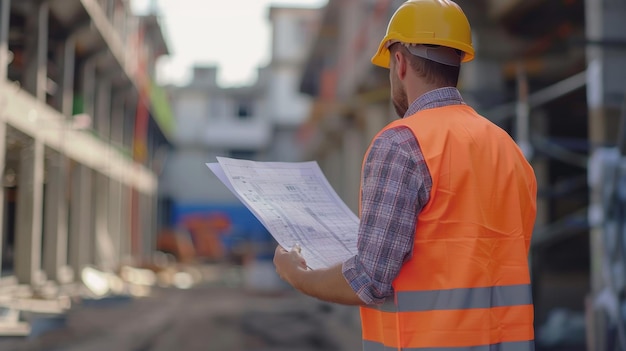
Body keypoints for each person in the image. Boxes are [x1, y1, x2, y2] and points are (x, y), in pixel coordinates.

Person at [273, 0, 537, 350]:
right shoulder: (508, 149)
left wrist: (297, 274)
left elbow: (369, 281)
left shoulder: (402, 144)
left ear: (399, 62)